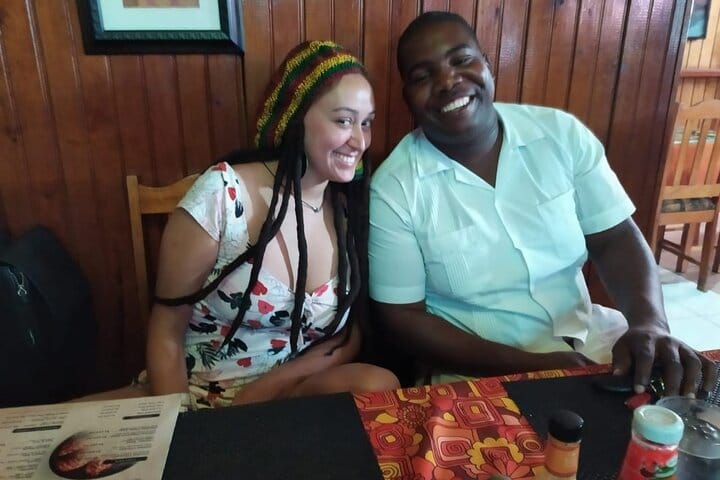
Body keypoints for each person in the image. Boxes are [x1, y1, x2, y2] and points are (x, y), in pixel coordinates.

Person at [368, 12, 717, 396]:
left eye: (461, 59)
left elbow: (614, 237)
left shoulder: (561, 135)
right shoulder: (396, 187)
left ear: (486, 63)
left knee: (684, 414)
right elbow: (402, 316)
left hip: (596, 341)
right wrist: (529, 368)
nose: (448, 81)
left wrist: (650, 323)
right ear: (408, 97)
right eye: (423, 76)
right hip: (480, 373)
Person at [81, 41, 399, 408]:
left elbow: (348, 334)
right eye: (344, 120)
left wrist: (266, 389)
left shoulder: (348, 206)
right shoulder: (222, 195)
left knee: (380, 384)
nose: (359, 141)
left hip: (285, 398)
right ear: (296, 118)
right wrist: (184, 425)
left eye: (366, 123)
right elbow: (166, 331)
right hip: (195, 396)